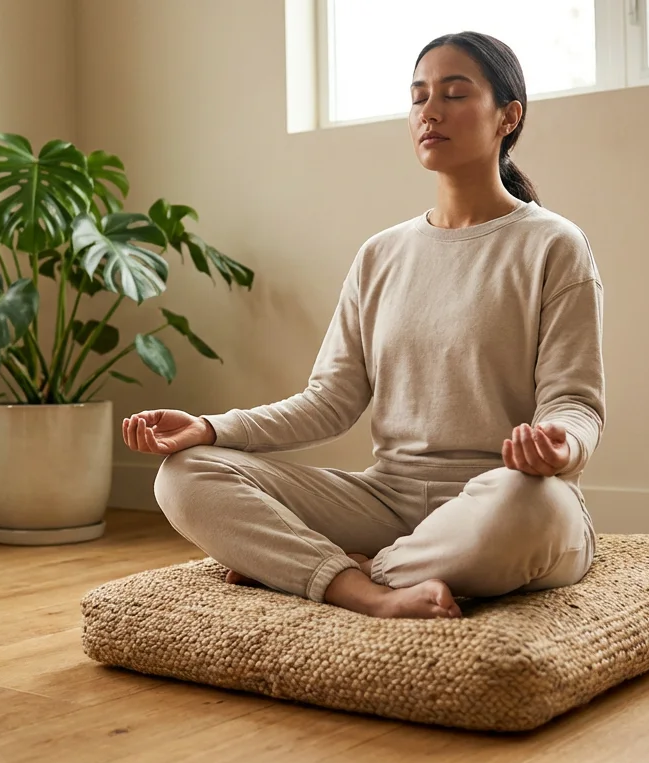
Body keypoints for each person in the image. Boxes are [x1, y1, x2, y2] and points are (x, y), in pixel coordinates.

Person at [121, 31, 604, 620]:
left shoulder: (553, 243)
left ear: (509, 116)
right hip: (387, 498)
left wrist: (560, 445)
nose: (430, 110)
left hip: (503, 492)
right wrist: (207, 428)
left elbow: (574, 401)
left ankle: (322, 566)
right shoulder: (381, 253)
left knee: (540, 512)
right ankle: (366, 591)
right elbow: (329, 401)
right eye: (419, 95)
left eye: (454, 93)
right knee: (184, 475)